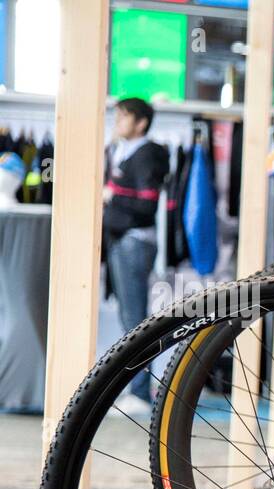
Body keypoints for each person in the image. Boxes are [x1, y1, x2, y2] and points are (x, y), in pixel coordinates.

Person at [104, 97, 168, 409]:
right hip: (122, 240)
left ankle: (140, 393)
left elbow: (146, 204)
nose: (118, 121)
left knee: (135, 321)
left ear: (140, 122)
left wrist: (111, 197)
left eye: (124, 116)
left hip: (134, 241)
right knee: (128, 317)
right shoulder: (120, 150)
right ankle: (136, 390)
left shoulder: (147, 155)